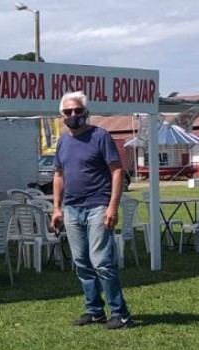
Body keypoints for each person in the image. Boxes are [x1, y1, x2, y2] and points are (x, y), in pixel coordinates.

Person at [50, 91, 134, 330]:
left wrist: (112, 207)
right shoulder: (63, 142)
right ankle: (95, 311)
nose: (73, 115)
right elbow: (58, 175)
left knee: (102, 262)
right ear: (61, 115)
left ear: (86, 112)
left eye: (78, 111)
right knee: (82, 262)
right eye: (68, 112)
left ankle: (121, 313)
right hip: (72, 209)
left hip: (98, 206)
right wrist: (57, 208)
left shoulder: (101, 136)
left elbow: (117, 171)